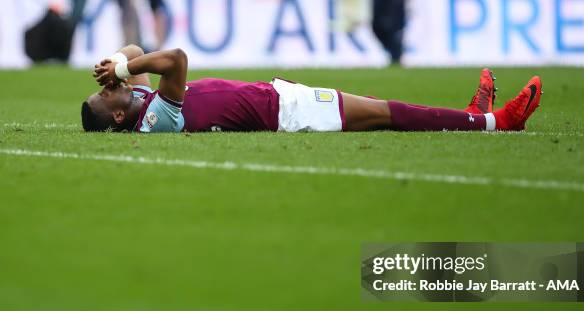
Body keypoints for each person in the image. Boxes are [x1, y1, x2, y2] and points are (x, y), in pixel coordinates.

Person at [82, 45, 542, 134]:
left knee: (386, 110)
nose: (110, 88)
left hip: (279, 97)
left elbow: (136, 48)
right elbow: (175, 59)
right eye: (106, 95)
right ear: (118, 116)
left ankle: (472, 115)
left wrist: (120, 64)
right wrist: (124, 68)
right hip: (289, 114)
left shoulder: (136, 102)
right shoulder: (156, 120)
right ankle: (494, 121)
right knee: (387, 111)